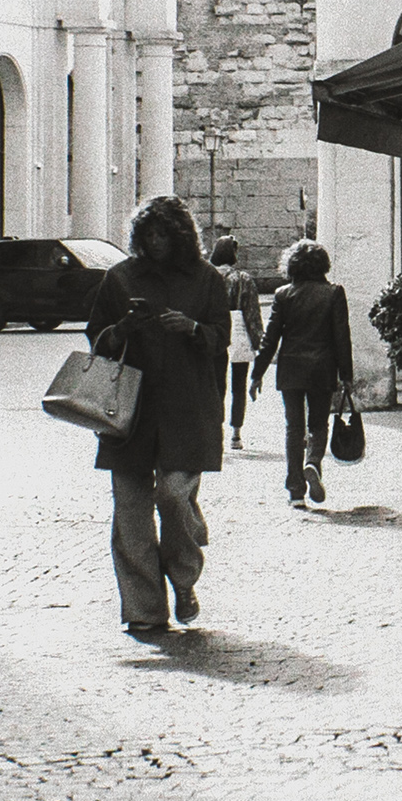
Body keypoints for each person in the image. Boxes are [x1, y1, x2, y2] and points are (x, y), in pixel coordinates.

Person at [83, 195, 232, 639]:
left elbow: (222, 336)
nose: (156, 242)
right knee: (130, 514)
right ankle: (144, 610)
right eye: (148, 234)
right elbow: (97, 340)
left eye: (164, 234)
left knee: (173, 497)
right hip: (129, 411)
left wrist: (192, 328)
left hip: (188, 406)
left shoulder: (206, 279)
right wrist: (123, 329)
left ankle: (183, 577)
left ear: (181, 236)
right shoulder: (120, 278)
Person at [250, 238, 355, 506]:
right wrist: (347, 375)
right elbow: (342, 337)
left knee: (293, 428)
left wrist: (257, 373)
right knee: (318, 423)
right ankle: (313, 463)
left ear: (292, 264)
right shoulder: (334, 293)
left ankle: (296, 491)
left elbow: (270, 338)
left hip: (291, 369)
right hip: (322, 368)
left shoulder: (283, 295)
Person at [210, 236, 264, 451]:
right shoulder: (243, 279)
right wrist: (258, 343)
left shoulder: (208, 277)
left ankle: (216, 429)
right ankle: (236, 433)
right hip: (239, 334)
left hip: (215, 335)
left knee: (216, 385)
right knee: (238, 386)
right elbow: (252, 314)